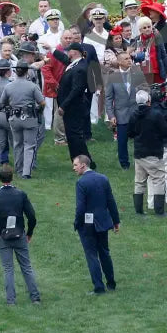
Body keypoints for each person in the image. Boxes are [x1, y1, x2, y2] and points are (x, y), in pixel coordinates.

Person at [0, 166, 40, 305]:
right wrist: (29, 232)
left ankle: (11, 300)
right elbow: (32, 216)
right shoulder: (20, 194)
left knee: (8, 268)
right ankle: (35, 298)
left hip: (2, 236)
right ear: (12, 177)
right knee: (26, 267)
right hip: (20, 234)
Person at [72, 155, 119, 295]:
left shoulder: (81, 182)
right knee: (105, 253)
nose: (73, 168)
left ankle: (99, 287)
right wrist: (116, 221)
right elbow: (111, 201)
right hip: (103, 222)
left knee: (92, 255)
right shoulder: (103, 178)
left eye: (75, 165)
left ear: (83, 165)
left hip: (88, 225)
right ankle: (111, 283)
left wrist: (77, 223)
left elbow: (80, 207)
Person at [57, 41, 95, 167]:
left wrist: (64, 105)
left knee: (75, 135)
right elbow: (63, 58)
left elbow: (76, 89)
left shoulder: (80, 68)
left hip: (74, 107)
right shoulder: (75, 64)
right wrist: (51, 50)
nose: (67, 53)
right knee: (72, 135)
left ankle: (86, 160)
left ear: (74, 52)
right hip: (72, 106)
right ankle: (76, 159)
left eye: (68, 51)